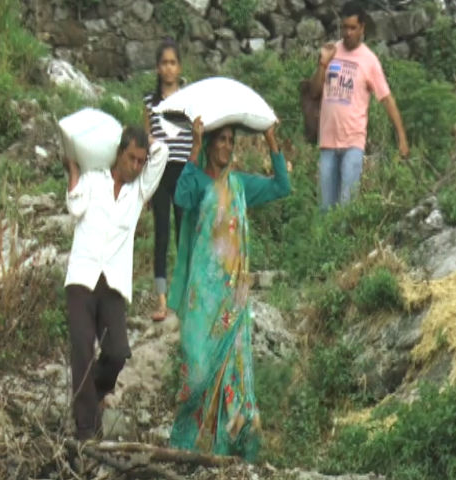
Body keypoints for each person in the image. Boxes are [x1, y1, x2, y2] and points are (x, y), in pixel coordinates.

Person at [167, 117, 290, 460]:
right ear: (209, 144)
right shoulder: (198, 181)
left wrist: (271, 141)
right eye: (219, 139)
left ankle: (227, 448)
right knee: (197, 375)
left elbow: (282, 186)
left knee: (231, 375)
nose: (225, 146)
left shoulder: (238, 184)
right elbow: (181, 195)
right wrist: (193, 147)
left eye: (230, 140)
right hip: (200, 301)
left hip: (231, 303)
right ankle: (183, 447)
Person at [63, 126, 168, 440]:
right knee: (81, 347)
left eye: (140, 161)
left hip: (113, 284)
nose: (137, 166)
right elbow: (74, 207)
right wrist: (73, 171)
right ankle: (85, 430)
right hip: (82, 278)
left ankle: (93, 392)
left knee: (118, 351)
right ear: (119, 154)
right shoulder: (94, 180)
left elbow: (161, 155)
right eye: (132, 159)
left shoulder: (138, 193)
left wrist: (147, 139)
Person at [309, 2, 409, 210]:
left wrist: (402, 138)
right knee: (325, 208)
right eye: (344, 27)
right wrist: (322, 64)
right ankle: (325, 243)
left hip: (353, 142)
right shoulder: (332, 51)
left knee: (347, 206)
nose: (347, 33)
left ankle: (345, 242)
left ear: (362, 28)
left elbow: (386, 99)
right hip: (328, 142)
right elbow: (314, 91)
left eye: (352, 28)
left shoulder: (369, 60)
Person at [143, 39, 193, 322]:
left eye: (173, 62)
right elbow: (146, 140)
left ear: (180, 66)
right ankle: (162, 301)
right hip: (160, 175)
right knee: (161, 235)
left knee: (183, 235)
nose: (169, 68)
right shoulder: (149, 103)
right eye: (164, 63)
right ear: (157, 68)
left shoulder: (189, 99)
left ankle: (184, 296)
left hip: (183, 173)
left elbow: (196, 137)